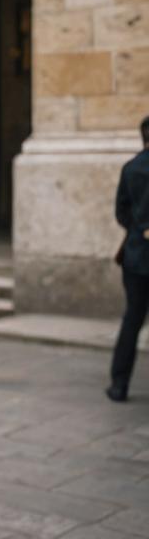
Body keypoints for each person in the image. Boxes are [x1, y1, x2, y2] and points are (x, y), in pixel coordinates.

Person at [107, 115, 149, 402]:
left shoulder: (131, 168)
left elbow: (121, 212)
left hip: (137, 255)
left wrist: (139, 228)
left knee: (132, 319)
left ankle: (119, 384)